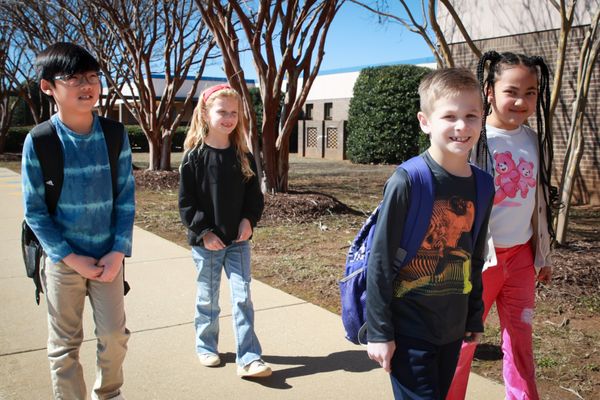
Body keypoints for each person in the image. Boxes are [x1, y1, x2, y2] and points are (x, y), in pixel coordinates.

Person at [366, 68, 494, 400]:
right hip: (408, 329)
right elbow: (379, 260)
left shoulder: (483, 185)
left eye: (471, 116)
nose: (461, 126)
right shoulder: (408, 181)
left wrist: (474, 314)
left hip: (451, 329)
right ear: (425, 122)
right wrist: (380, 331)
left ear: (482, 119)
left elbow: (475, 254)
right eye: (449, 116)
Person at [22, 42, 135, 400]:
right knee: (65, 343)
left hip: (108, 259)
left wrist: (118, 252)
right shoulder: (40, 141)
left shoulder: (115, 135)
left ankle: (110, 392)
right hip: (62, 260)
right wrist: (70, 257)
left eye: (92, 76)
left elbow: (126, 199)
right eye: (72, 78)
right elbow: (35, 211)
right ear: (48, 87)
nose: (87, 85)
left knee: (115, 336)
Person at [447, 51, 555, 400]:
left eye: (531, 92)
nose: (521, 101)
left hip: (521, 258)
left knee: (521, 341)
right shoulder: (472, 139)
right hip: (478, 261)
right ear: (489, 92)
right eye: (512, 91)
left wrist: (543, 254)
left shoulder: (535, 141)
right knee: (463, 343)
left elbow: (537, 206)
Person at [178, 84, 271, 378]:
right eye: (222, 112)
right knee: (208, 298)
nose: (229, 118)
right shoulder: (193, 157)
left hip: (238, 242)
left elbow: (254, 197)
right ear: (205, 113)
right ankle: (206, 347)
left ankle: (249, 358)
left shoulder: (242, 154)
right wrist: (204, 231)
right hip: (206, 244)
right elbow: (186, 204)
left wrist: (248, 220)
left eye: (234, 112)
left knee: (242, 296)